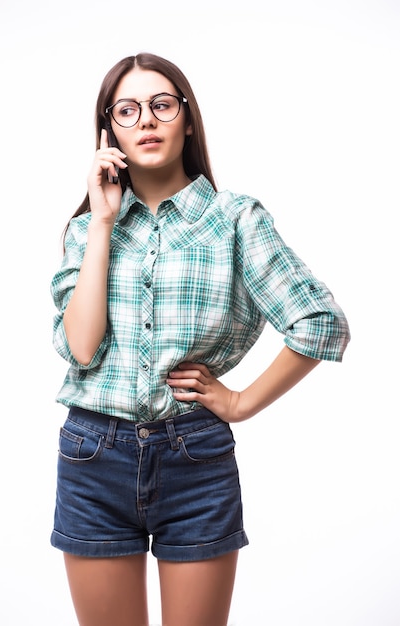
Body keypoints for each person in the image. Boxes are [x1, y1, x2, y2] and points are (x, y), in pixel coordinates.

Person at [50, 52, 350, 626]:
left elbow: (321, 322)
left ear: (187, 120)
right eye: (128, 110)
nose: (146, 121)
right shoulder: (89, 229)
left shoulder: (236, 220)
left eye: (162, 105)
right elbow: (82, 348)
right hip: (92, 457)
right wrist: (106, 222)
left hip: (194, 458)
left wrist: (240, 402)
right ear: (108, 130)